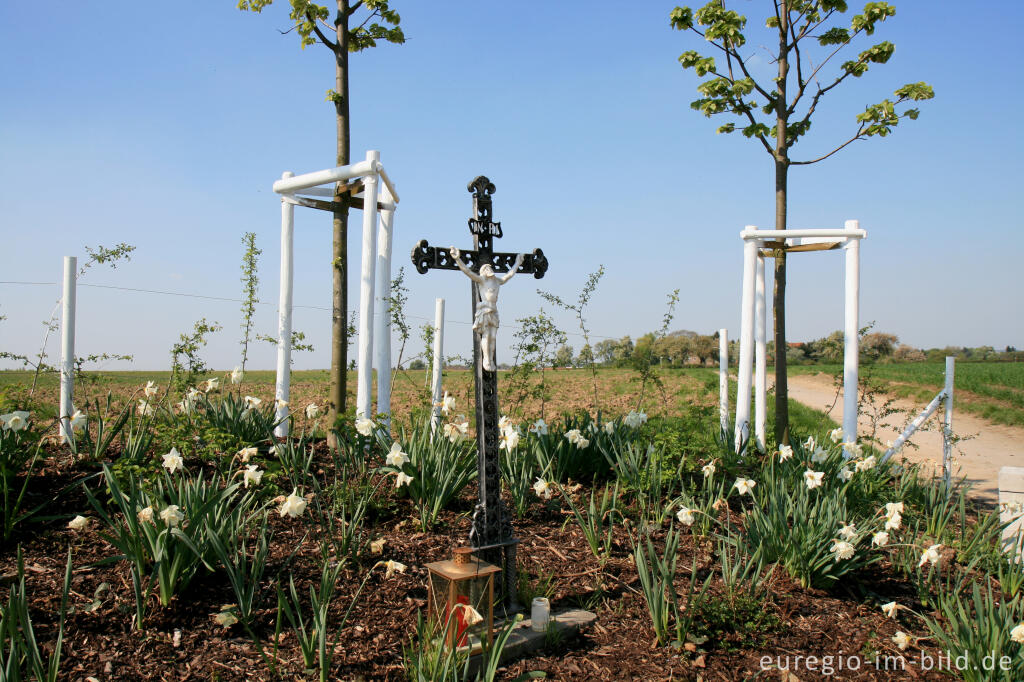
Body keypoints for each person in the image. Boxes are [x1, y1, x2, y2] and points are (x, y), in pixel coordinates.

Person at [449, 246, 526, 372]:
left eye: (489, 267)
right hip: (485, 311)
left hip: (494, 311)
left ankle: (490, 360)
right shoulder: (482, 280)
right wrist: (457, 259)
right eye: (486, 267)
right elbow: (467, 271)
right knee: (487, 337)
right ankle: (486, 360)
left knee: (493, 337)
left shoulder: (497, 281)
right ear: (483, 271)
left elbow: (509, 275)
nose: (489, 268)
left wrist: (517, 262)